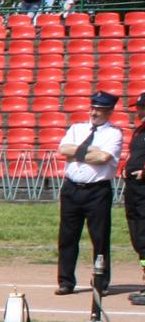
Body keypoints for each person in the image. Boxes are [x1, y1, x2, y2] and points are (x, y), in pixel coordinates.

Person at [54, 91, 125, 295]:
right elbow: (63, 149)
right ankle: (66, 281)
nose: (94, 113)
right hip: (72, 188)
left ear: (109, 112)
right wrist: (90, 151)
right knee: (67, 236)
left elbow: (103, 158)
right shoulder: (77, 128)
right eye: (93, 108)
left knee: (99, 237)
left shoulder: (113, 133)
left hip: (97, 191)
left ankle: (101, 281)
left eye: (100, 110)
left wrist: (78, 153)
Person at [128, 94, 145, 305]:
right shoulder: (140, 131)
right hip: (134, 190)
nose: (138, 111)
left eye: (141, 108)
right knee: (139, 238)